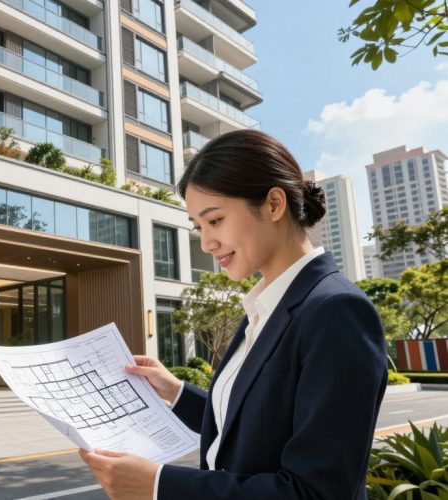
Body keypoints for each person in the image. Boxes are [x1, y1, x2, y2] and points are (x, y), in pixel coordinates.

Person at [79, 129, 387, 499]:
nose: (206, 243)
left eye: (215, 220)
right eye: (199, 227)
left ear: (274, 204)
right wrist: (176, 392)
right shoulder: (264, 308)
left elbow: (317, 491)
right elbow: (253, 420)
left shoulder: (335, 311)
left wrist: (160, 485)